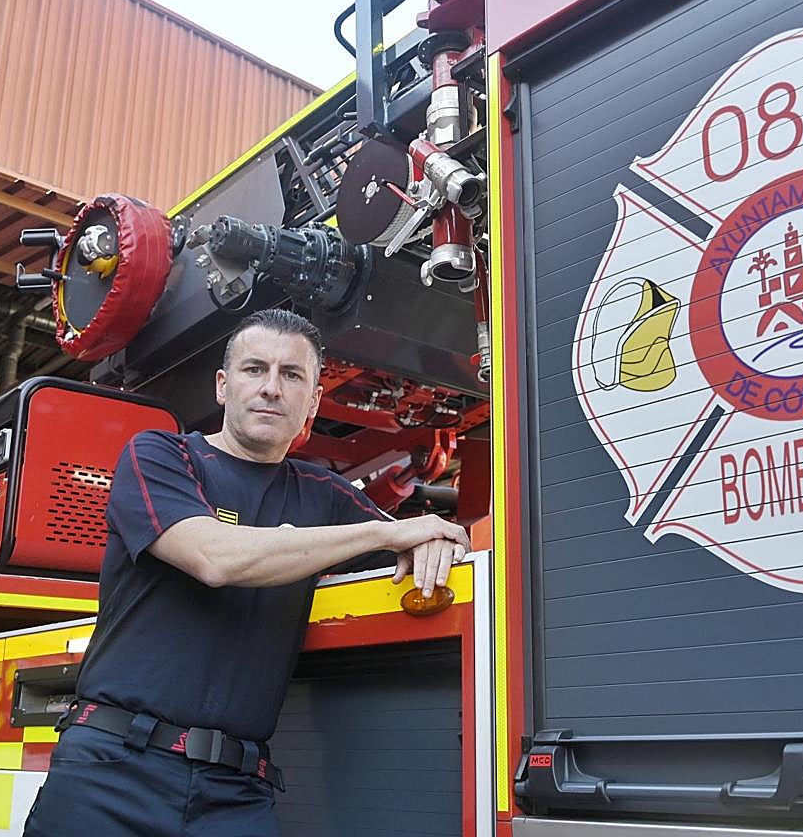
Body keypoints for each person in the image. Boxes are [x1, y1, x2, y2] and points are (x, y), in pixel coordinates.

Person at [23, 308, 470, 837]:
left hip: (235, 793)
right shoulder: (161, 456)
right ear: (223, 385)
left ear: (313, 401)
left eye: (292, 375)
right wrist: (390, 532)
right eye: (254, 369)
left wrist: (435, 538)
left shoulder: (325, 495)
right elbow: (215, 559)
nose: (271, 389)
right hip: (112, 773)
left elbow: (426, 546)